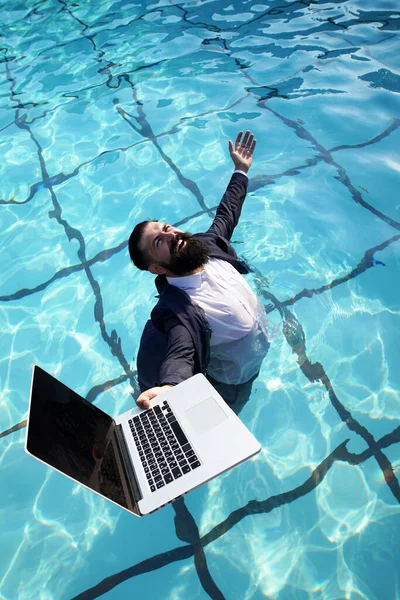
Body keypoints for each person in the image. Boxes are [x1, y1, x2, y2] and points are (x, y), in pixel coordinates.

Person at [128, 130, 270, 414]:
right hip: (234, 380)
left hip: (255, 349)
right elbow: (181, 351)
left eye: (166, 228)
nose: (170, 234)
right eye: (159, 242)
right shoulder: (179, 310)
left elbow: (226, 215)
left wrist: (240, 170)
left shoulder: (205, 246)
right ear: (156, 268)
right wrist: (170, 387)